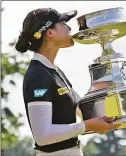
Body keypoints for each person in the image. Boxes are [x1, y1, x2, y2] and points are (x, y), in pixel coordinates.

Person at [15, 8, 117, 156]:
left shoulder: (54, 71)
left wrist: (125, 118)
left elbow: (84, 111)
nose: (69, 27)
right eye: (63, 23)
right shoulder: (38, 76)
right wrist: (86, 126)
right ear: (50, 33)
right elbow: (42, 136)